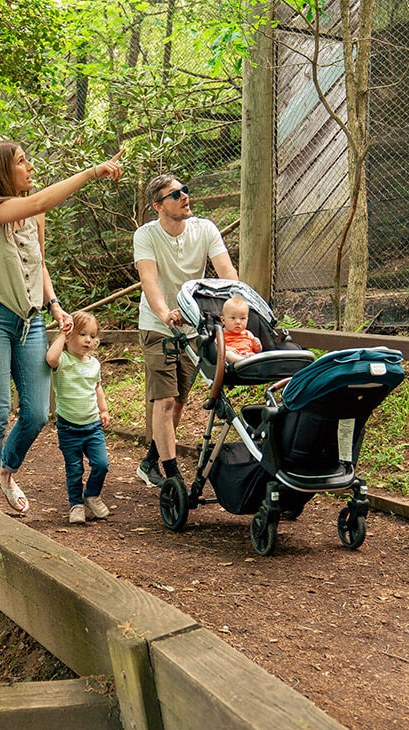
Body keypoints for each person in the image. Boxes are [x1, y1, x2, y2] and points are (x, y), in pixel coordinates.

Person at [0, 141, 122, 514]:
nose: (30, 167)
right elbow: (38, 202)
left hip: (30, 318)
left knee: (36, 413)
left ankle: (5, 471)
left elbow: (40, 263)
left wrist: (55, 305)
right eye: (21, 162)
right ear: (1, 170)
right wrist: (92, 172)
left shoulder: (35, 217)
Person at [133, 174, 238, 486]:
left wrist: (234, 307)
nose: (184, 196)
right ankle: (173, 477)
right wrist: (165, 314)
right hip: (157, 326)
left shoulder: (205, 229)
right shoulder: (146, 235)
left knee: (178, 401)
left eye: (185, 190)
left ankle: (150, 462)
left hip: (193, 327)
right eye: (175, 194)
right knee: (164, 401)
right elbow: (149, 282)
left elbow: (227, 274)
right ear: (158, 206)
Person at [46, 310, 111, 525]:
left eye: (92, 336)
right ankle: (76, 504)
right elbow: (51, 358)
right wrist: (62, 334)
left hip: (92, 426)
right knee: (74, 470)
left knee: (101, 464)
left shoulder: (94, 364)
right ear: (70, 336)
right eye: (82, 334)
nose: (88, 340)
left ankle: (92, 495)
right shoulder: (63, 360)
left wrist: (104, 410)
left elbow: (97, 387)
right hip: (68, 428)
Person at [221, 295, 263, 363]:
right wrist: (227, 348)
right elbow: (216, 347)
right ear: (223, 320)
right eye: (233, 318)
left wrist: (257, 345)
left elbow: (257, 351)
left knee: (259, 355)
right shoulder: (221, 334)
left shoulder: (248, 334)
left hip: (249, 357)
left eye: (242, 318)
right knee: (227, 354)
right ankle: (242, 361)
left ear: (247, 320)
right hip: (234, 358)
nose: (238, 322)